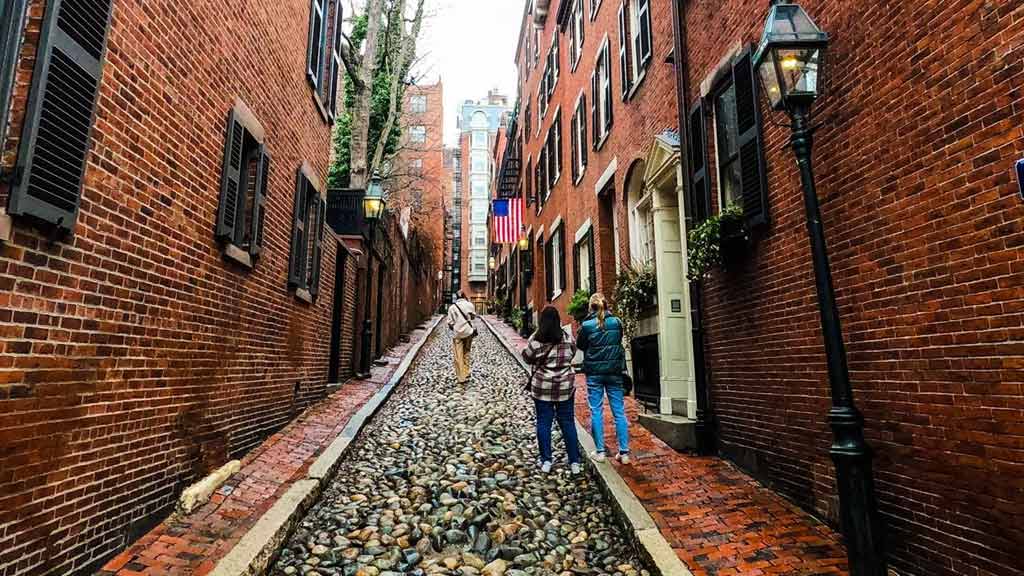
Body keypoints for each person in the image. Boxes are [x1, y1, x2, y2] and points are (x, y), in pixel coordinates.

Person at [522, 306, 582, 474]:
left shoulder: (536, 339)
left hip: (543, 388)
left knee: (543, 423)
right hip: (564, 388)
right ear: (558, 321)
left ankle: (546, 460)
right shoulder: (566, 338)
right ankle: (574, 462)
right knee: (568, 423)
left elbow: (527, 357)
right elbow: (573, 352)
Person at [576, 293, 630, 464]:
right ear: (606, 305)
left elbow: (580, 345)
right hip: (614, 372)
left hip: (594, 373)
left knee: (596, 411)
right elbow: (618, 340)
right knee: (619, 412)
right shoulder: (617, 322)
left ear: (590, 308)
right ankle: (624, 453)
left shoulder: (586, 326)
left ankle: (600, 452)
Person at [447, 291, 477, 384]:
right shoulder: (469, 305)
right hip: (468, 332)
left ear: (456, 297)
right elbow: (473, 317)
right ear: (465, 296)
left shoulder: (452, 308)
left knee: (458, 355)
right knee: (467, 352)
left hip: (458, 334)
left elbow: (450, 323)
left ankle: (461, 377)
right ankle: (466, 371)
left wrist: (456, 328)